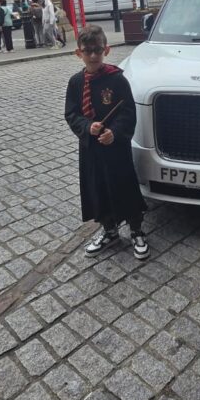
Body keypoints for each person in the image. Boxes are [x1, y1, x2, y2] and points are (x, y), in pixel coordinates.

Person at [64, 24, 149, 260]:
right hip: (90, 149)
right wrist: (86, 127)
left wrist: (114, 132)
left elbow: (128, 112)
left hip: (115, 148)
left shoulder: (118, 80)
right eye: (87, 51)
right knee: (97, 188)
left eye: (97, 50)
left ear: (106, 50)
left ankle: (136, 230)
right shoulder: (75, 83)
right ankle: (109, 230)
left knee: (124, 186)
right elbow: (71, 113)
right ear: (78, 53)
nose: (93, 56)